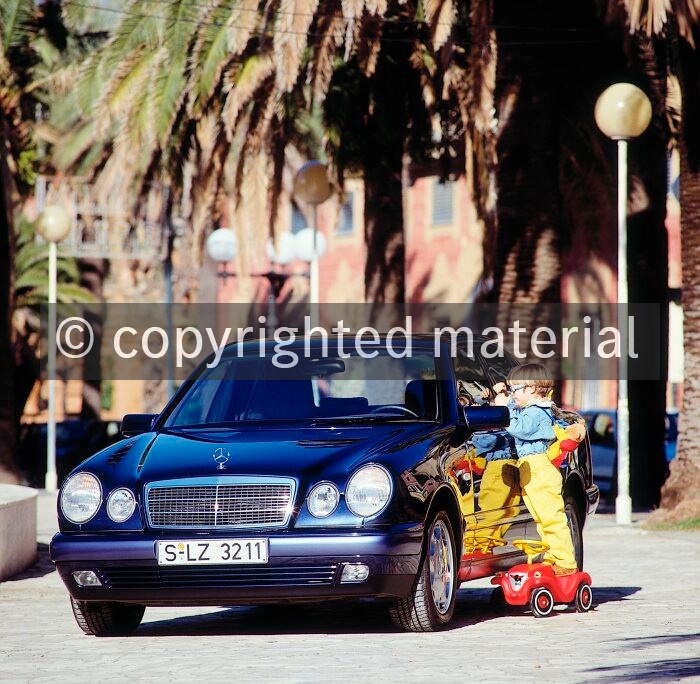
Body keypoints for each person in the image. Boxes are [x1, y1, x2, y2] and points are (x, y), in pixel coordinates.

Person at [491, 363, 578, 576]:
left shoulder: (538, 412)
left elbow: (517, 428)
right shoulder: (530, 409)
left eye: (515, 390)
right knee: (540, 519)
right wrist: (507, 400)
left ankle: (566, 562)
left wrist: (504, 406)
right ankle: (552, 557)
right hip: (531, 469)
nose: (513, 395)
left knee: (552, 517)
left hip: (541, 469)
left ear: (531, 388)